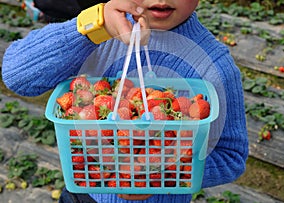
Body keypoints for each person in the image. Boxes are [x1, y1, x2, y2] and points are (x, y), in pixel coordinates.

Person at [1, 0, 249, 202]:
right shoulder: (99, 34)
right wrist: (93, 26)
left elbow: (231, 156)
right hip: (84, 192)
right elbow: (17, 76)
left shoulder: (213, 65)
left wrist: (161, 173)